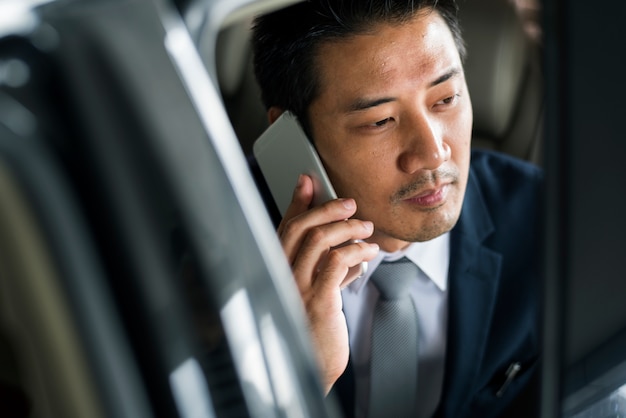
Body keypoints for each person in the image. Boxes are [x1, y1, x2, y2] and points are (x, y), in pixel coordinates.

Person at [249, 1, 543, 417]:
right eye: (380, 121)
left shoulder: (550, 222)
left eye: (446, 99)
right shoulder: (218, 248)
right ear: (290, 134)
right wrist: (300, 378)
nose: (434, 152)